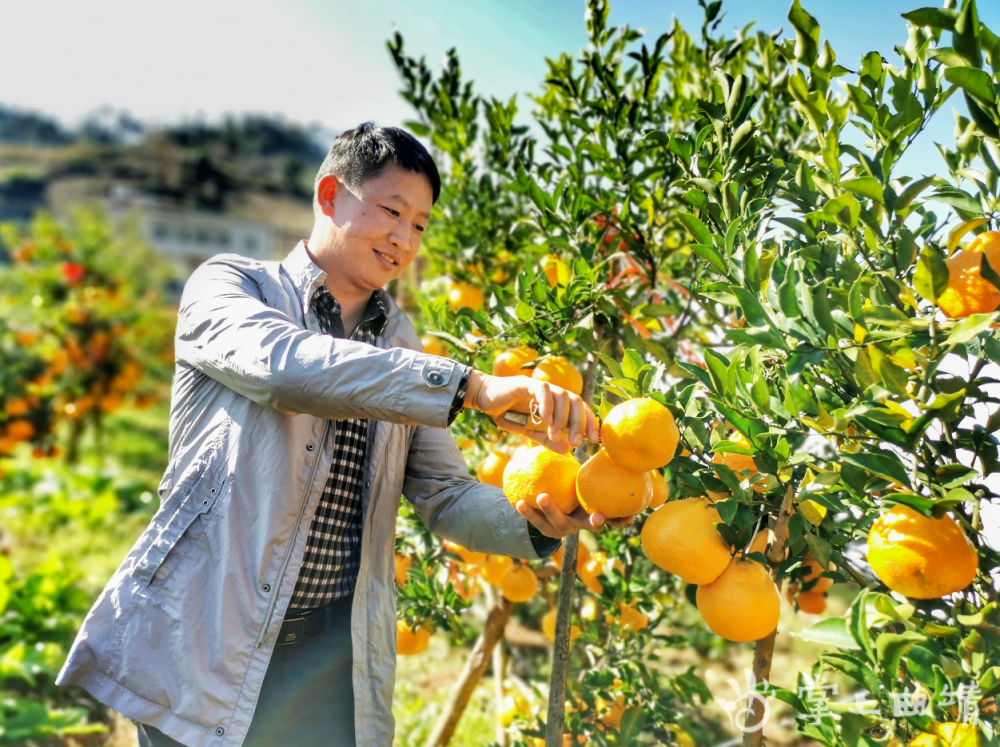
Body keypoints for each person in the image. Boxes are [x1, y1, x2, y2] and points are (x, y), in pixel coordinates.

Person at [56, 123, 626, 747]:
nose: (404, 238)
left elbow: (445, 494)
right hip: (210, 642)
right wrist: (470, 388)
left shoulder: (402, 344)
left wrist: (541, 520)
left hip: (332, 659)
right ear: (329, 194)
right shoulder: (231, 288)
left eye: (420, 225)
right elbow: (283, 367)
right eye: (392, 211)